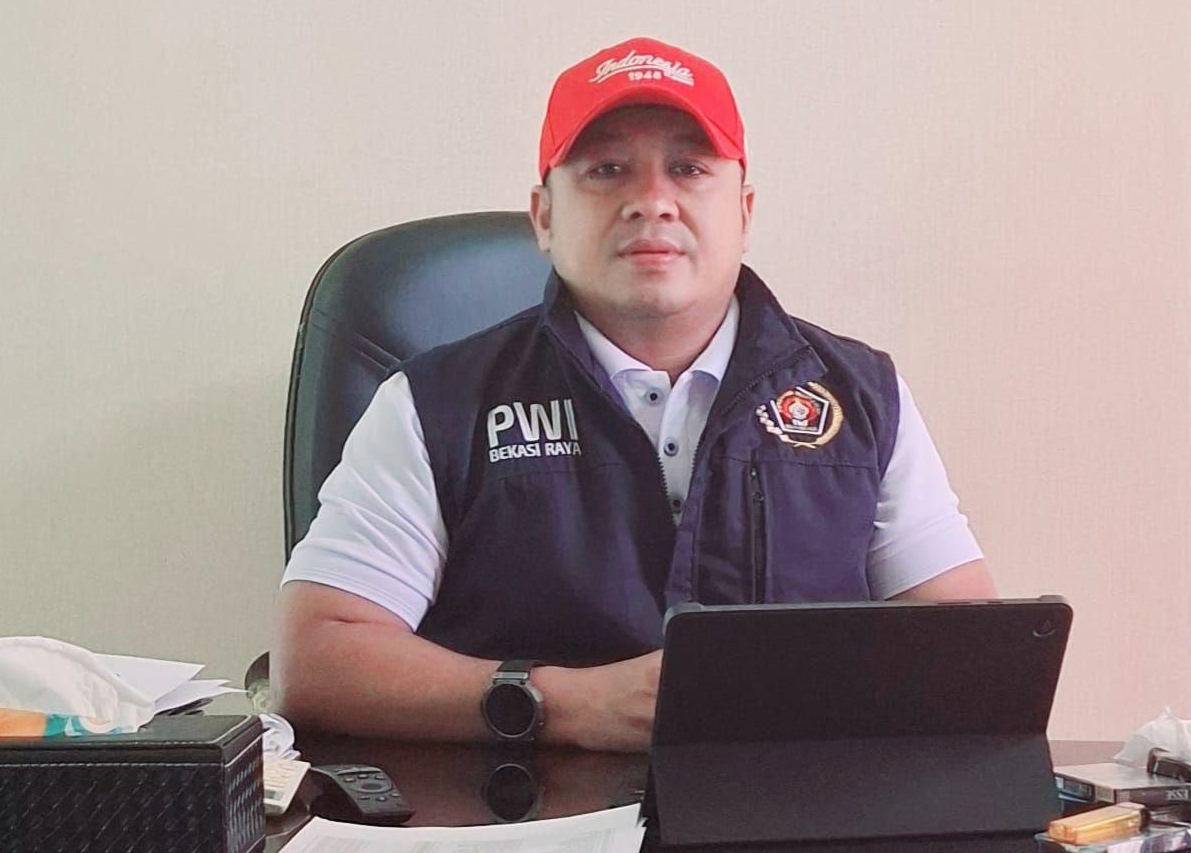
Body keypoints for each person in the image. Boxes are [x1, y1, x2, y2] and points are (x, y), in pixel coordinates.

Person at [272, 37, 996, 753]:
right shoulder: (435, 405)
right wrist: (560, 703)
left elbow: (969, 654)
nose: (651, 201)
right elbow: (317, 661)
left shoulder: (862, 396)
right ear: (544, 217)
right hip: (522, 804)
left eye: (688, 168)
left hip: (801, 801)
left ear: (744, 212)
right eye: (607, 170)